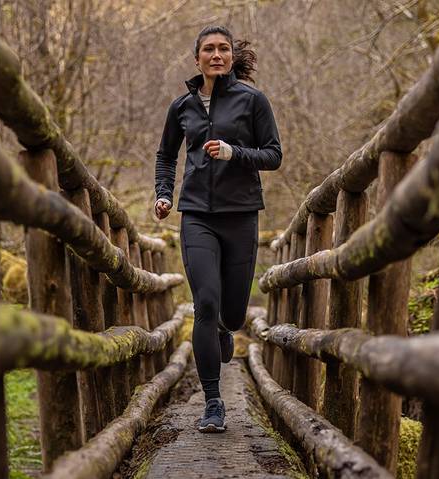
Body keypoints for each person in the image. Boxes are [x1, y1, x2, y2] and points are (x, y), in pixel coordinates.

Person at [154, 25, 282, 433]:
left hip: (242, 215)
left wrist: (233, 152)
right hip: (196, 216)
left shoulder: (252, 101)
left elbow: (274, 155)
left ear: (231, 57)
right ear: (197, 59)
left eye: (223, 48)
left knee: (233, 313)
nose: (216, 54)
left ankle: (228, 327)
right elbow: (165, 155)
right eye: (208, 49)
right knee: (205, 305)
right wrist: (163, 194)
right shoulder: (182, 107)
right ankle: (213, 402)